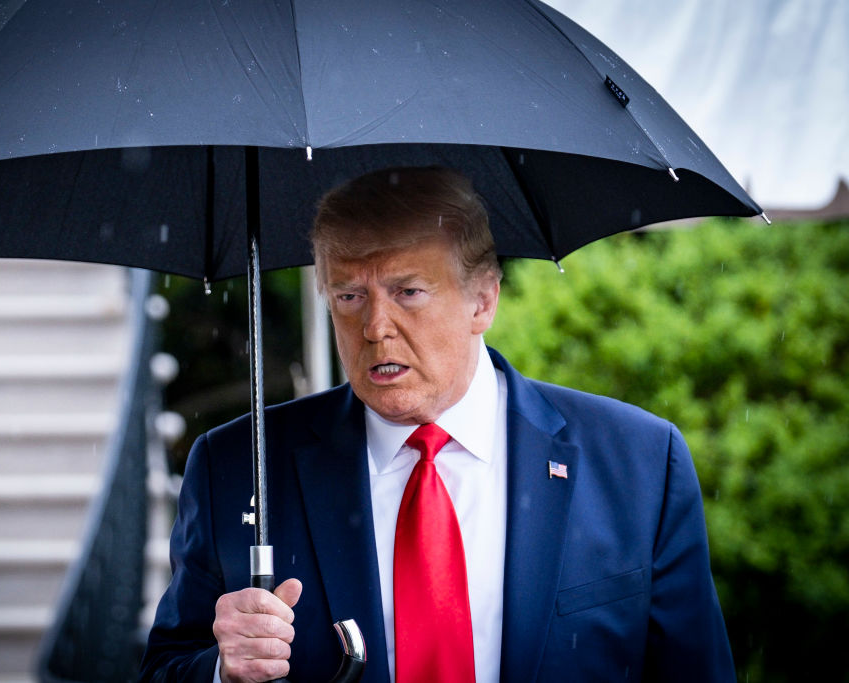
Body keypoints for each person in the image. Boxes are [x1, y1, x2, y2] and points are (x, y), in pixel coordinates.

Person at [139, 167, 736, 682]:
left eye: (408, 291)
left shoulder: (637, 461)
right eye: (349, 296)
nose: (376, 326)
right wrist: (222, 669)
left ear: (483, 300)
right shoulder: (238, 465)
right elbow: (165, 669)